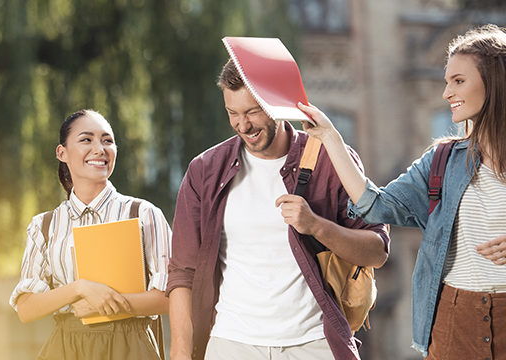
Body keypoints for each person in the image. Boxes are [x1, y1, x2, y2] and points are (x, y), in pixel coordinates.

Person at [299, 24, 506, 359]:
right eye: (445, 81)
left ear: (495, 82)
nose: (446, 93)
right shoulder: (441, 162)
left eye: (458, 81)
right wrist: (331, 139)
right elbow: (374, 205)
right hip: (457, 320)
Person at [166, 60, 391, 360]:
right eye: (233, 113)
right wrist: (181, 355)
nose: (242, 125)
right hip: (232, 343)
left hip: (313, 344)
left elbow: (377, 251)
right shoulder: (205, 170)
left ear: (277, 104)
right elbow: (183, 272)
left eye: (252, 112)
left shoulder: (330, 158)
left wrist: (316, 225)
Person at [9, 109, 172, 359]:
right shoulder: (44, 225)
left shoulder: (143, 214)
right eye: (87, 139)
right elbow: (26, 308)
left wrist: (105, 305)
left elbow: (170, 297)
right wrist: (79, 289)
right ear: (61, 153)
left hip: (130, 346)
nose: (100, 149)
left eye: (107, 141)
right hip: (67, 347)